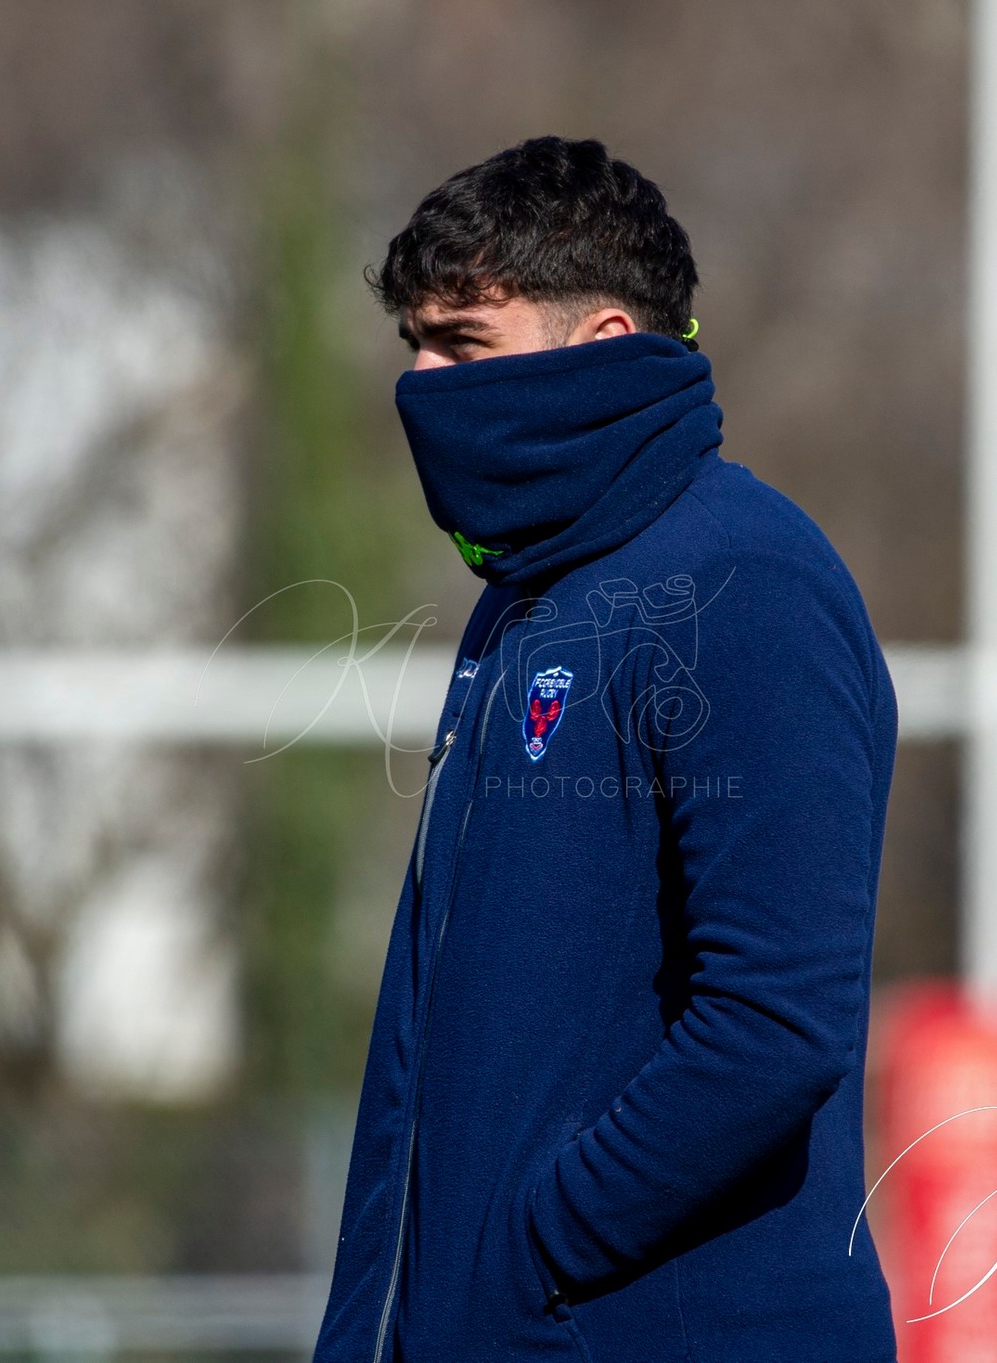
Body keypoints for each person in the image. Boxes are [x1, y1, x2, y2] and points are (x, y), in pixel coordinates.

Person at [314, 135, 899, 1363]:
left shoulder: (746, 581)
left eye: (462, 345)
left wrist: (537, 1249)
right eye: (412, 346)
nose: (420, 385)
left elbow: (775, 1022)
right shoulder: (522, 602)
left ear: (603, 344)